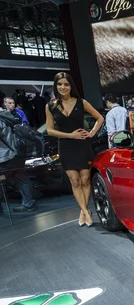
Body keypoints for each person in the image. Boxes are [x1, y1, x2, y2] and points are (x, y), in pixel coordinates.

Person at [45, 72, 104, 227]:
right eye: (59, 84)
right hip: (66, 146)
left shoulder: (81, 102)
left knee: (85, 179)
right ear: (56, 86)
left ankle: (83, 212)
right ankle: (85, 211)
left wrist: (91, 133)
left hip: (82, 145)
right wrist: (70, 135)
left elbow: (100, 118)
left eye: (66, 84)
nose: (63, 87)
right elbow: (50, 130)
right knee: (75, 181)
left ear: (71, 86)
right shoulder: (50, 106)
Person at [0, 110, 36, 212]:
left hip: (5, 156)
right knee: (22, 178)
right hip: (18, 152)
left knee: (14, 178)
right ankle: (29, 204)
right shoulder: (7, 115)